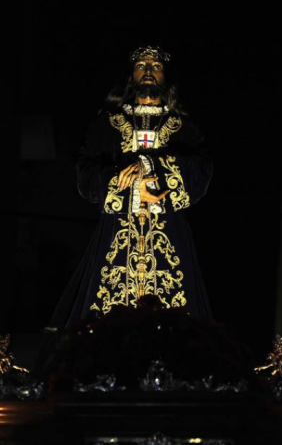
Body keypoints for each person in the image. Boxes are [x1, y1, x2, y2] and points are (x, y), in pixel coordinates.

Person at [47, 46, 213, 331]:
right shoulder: (106, 126)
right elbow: (85, 175)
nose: (148, 71)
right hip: (116, 232)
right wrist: (128, 185)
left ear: (166, 76)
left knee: (177, 321)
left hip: (169, 233)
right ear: (130, 74)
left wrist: (148, 167)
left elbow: (202, 172)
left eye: (156, 66)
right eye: (141, 65)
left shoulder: (183, 128)